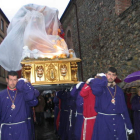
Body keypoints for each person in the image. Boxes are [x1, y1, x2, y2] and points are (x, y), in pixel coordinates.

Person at [86, 67, 133, 140]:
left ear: (115, 77)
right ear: (105, 75)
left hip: (118, 121)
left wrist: (129, 125)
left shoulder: (119, 91)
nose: (111, 77)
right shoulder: (101, 88)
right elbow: (95, 89)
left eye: (113, 75)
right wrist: (102, 79)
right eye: (109, 74)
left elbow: (124, 109)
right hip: (103, 121)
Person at [0, 71, 37, 140]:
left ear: (17, 80)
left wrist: (26, 84)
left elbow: (34, 102)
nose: (12, 82)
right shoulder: (1, 95)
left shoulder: (23, 93)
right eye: (10, 80)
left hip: (21, 129)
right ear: (6, 80)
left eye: (14, 80)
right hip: (7, 130)